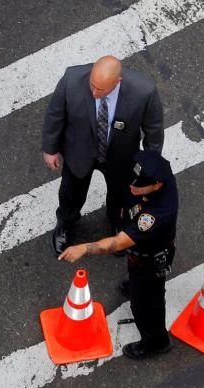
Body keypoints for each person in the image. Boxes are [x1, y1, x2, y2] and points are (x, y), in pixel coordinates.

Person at [57, 151, 177, 360]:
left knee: (147, 304)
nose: (132, 187)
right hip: (139, 254)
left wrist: (83, 248)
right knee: (135, 279)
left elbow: (117, 242)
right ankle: (133, 286)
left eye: (138, 186)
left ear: (157, 186)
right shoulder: (151, 171)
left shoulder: (156, 216)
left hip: (149, 260)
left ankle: (156, 341)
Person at [41, 55, 164, 256]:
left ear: (118, 82)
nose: (94, 92)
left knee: (120, 196)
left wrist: (149, 166)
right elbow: (55, 114)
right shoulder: (71, 79)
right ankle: (65, 224)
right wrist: (50, 149)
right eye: (92, 85)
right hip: (79, 151)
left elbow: (154, 131)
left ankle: (117, 224)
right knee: (70, 194)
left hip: (120, 156)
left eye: (102, 89)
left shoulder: (144, 92)